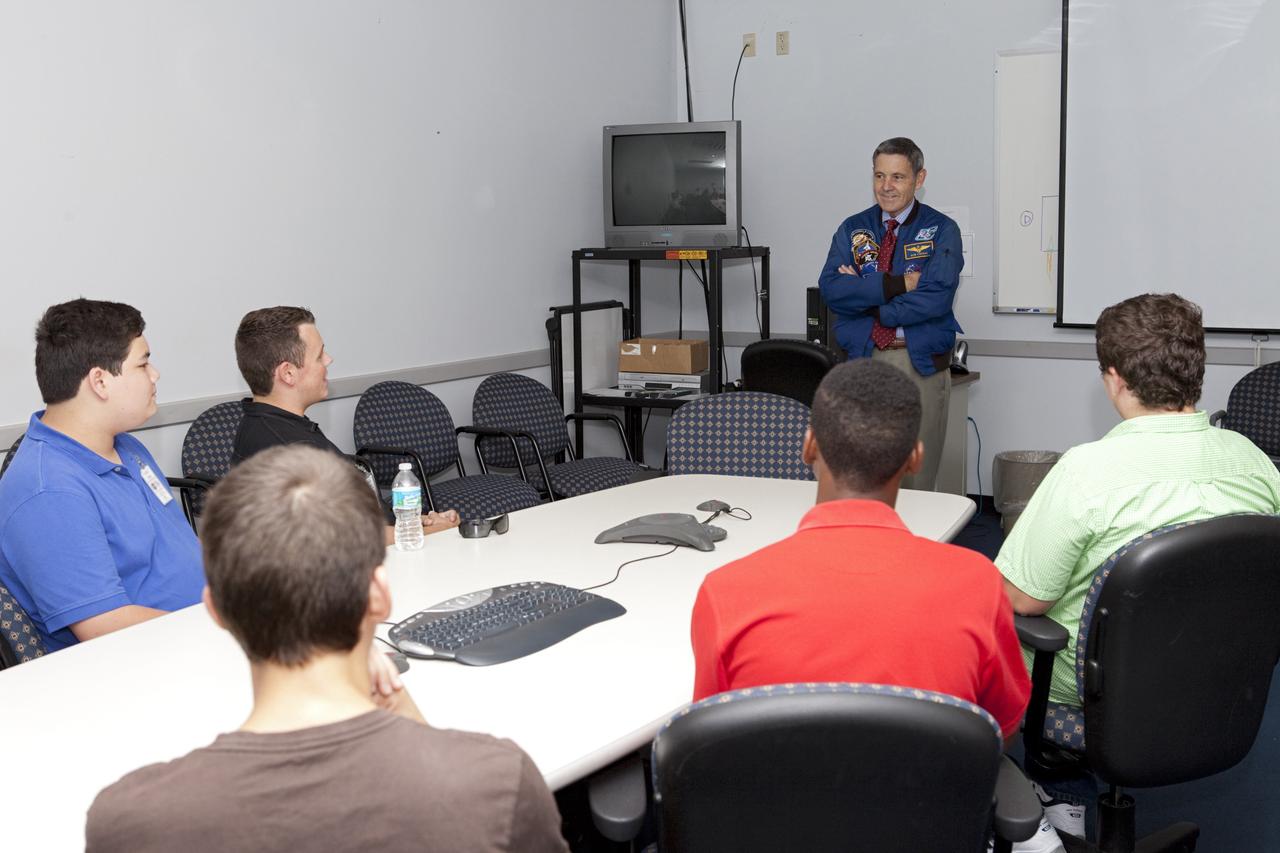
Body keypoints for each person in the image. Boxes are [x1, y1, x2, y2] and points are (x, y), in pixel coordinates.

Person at [85, 445, 569, 853]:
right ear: (379, 594)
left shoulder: (129, 823)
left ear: (216, 611)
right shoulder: (497, 784)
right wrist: (409, 717)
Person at [996, 293, 1280, 840]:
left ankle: (1060, 797)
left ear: (1114, 379)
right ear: (1197, 371)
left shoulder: (1087, 470)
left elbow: (1022, 597)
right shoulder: (1256, 462)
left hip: (1090, 698)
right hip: (1218, 686)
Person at [690, 359, 1029, 739]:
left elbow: (709, 737)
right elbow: (1002, 726)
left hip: (780, 795)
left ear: (808, 447)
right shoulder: (978, 583)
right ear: (915, 458)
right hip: (931, 796)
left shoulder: (725, 592)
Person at [0, 299, 203, 652]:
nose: (154, 375)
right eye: (143, 363)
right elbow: (105, 628)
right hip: (152, 660)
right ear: (100, 381)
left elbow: (177, 548)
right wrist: (227, 623)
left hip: (203, 630)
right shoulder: (48, 492)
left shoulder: (126, 446)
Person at [231, 305, 458, 538]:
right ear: (288, 373)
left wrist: (418, 523)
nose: (328, 360)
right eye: (319, 355)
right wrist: (431, 532)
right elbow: (348, 540)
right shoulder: (293, 452)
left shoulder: (262, 426)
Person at [817, 136, 964, 491]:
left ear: (919, 178)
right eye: (879, 176)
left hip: (917, 365)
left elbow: (936, 299)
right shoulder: (853, 228)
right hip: (863, 362)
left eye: (897, 177)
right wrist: (898, 285)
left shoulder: (942, 230)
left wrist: (865, 301)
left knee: (915, 479)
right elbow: (832, 291)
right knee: (863, 476)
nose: (886, 186)